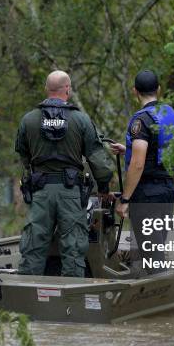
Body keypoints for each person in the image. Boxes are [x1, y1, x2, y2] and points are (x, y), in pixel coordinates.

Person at [15, 70, 113, 277]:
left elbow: (23, 155)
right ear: (67, 88)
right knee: (73, 247)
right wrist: (104, 187)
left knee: (33, 246)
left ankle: (25, 303)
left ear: (46, 89)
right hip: (70, 192)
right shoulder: (80, 120)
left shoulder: (29, 120)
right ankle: (71, 300)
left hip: (40, 191)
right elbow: (98, 160)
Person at [110, 70, 174, 274]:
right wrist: (128, 150)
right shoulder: (170, 115)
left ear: (135, 91)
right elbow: (157, 149)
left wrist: (125, 199)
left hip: (147, 196)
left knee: (153, 258)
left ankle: (164, 300)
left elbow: (138, 164)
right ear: (158, 89)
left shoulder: (141, 120)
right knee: (156, 249)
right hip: (167, 190)